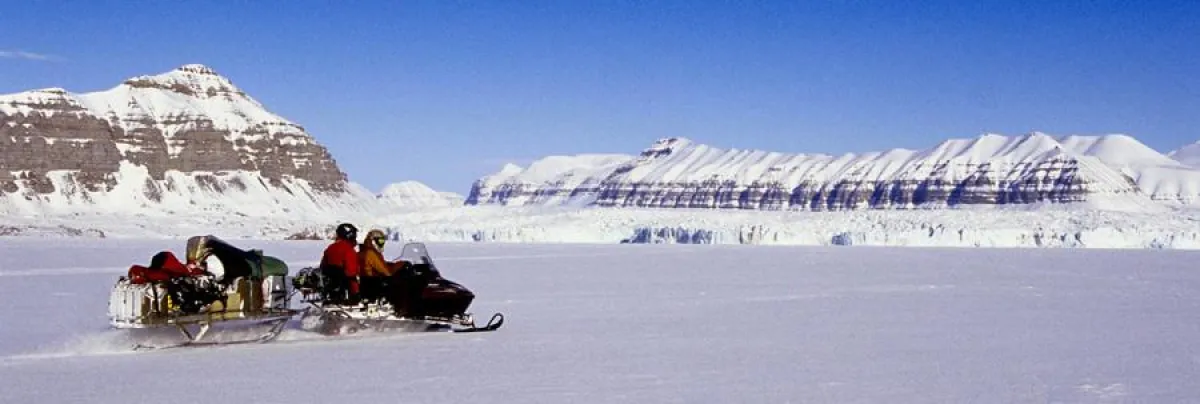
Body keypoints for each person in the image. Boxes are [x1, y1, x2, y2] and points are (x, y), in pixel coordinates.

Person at [320, 223, 361, 303]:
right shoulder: (349, 250)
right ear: (349, 235)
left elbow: (323, 266)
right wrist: (356, 293)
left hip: (330, 288)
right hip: (347, 290)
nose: (355, 237)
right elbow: (351, 273)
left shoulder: (330, 248)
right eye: (354, 235)